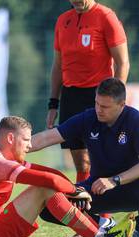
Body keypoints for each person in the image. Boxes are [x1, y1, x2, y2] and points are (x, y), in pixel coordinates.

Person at [0, 115, 134, 237]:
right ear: (11, 138)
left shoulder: (4, 157)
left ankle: (101, 233)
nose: (30, 145)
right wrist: (75, 191)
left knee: (46, 188)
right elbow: (47, 180)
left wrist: (74, 190)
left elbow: (50, 174)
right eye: (26, 140)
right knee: (43, 189)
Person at [32, 78, 139, 237]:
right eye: (97, 103)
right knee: (49, 206)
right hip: (97, 189)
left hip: (132, 188)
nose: (98, 110)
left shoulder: (136, 120)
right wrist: (16, 147)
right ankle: (105, 225)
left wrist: (114, 180)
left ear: (122, 105)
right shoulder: (88, 118)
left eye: (105, 107)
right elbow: (47, 137)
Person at [46, 0, 129, 185]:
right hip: (71, 96)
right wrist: (53, 103)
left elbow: (123, 63)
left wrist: (116, 99)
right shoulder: (63, 20)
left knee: (99, 159)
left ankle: (104, 213)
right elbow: (58, 66)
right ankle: (87, 208)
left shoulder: (106, 17)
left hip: (98, 96)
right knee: (80, 162)